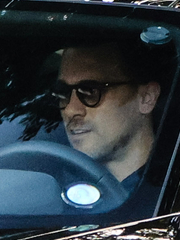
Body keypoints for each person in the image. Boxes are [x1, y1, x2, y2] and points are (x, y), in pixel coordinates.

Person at [56, 36, 170, 191]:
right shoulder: (49, 186)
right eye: (63, 92)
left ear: (146, 98)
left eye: (91, 91)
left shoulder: (175, 191)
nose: (70, 109)